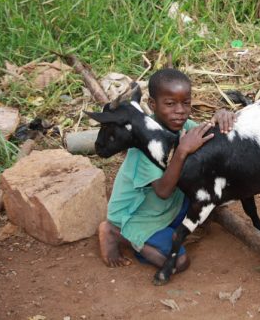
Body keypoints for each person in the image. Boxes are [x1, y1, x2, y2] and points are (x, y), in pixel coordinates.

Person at [98, 68, 235, 272]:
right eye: (170, 104)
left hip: (168, 208)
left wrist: (221, 116)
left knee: (213, 193)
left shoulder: (182, 125)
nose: (179, 111)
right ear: (153, 105)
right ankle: (115, 232)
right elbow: (163, 192)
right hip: (138, 217)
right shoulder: (143, 144)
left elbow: (209, 139)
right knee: (178, 263)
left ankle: (167, 232)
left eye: (186, 103)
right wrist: (182, 151)